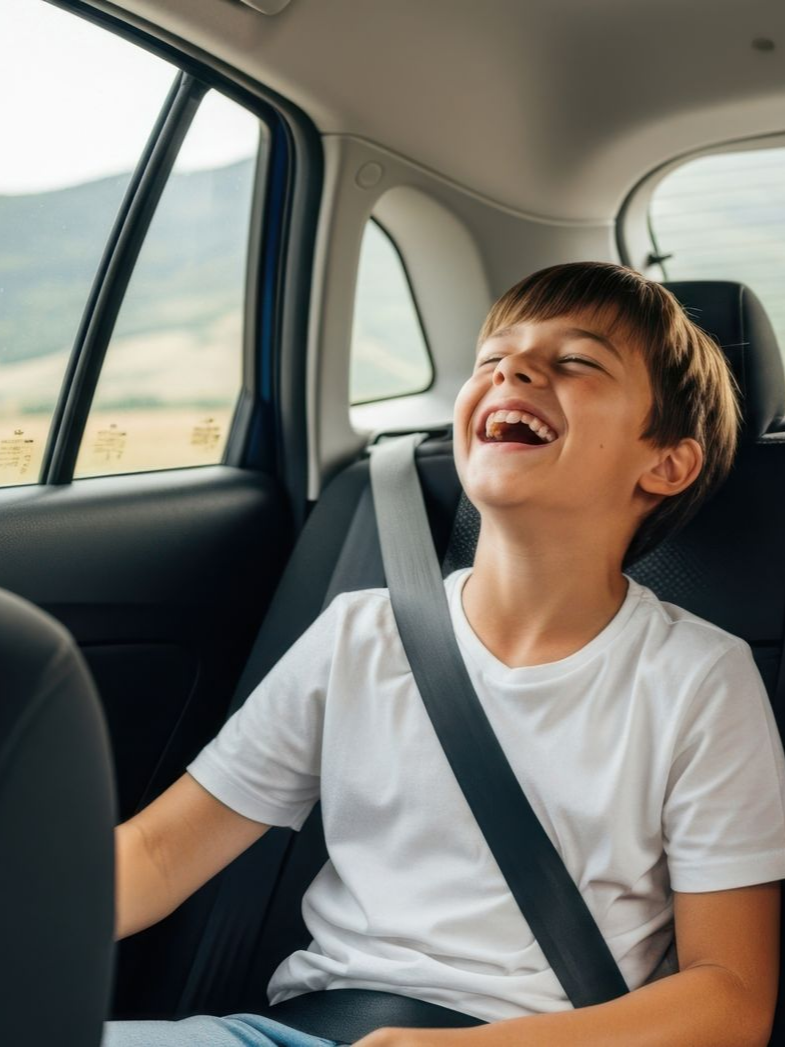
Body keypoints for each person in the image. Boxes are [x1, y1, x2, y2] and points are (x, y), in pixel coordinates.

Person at [103, 262, 785, 1047]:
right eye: (492, 358)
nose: (514, 370)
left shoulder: (698, 678)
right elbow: (155, 856)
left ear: (664, 461)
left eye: (576, 361)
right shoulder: (358, 636)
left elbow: (729, 997)